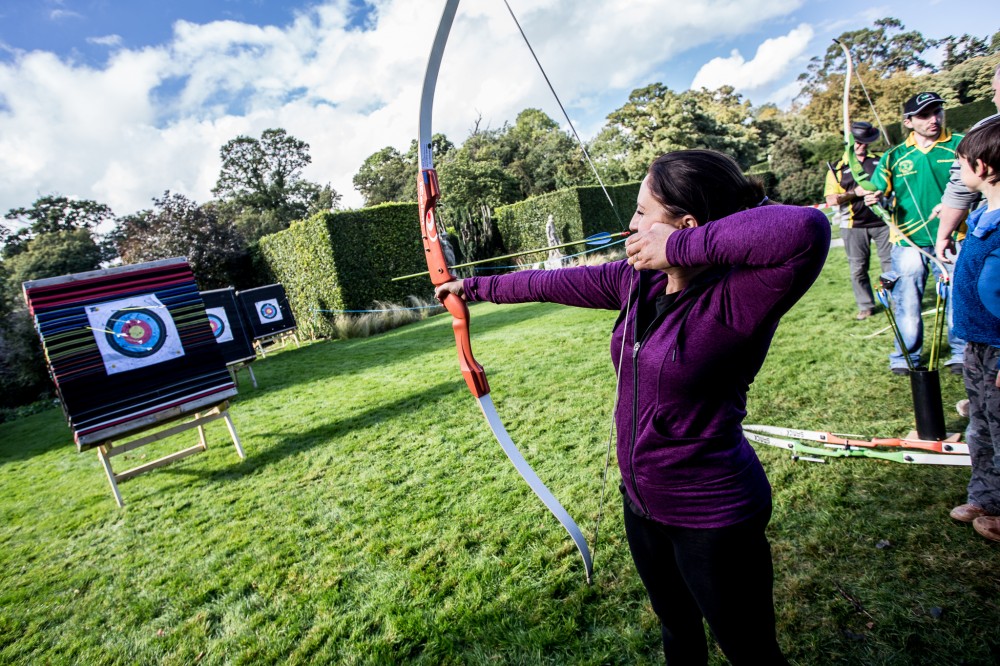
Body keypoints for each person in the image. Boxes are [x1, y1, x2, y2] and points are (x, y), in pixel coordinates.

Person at [436, 149, 830, 665]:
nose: (631, 223)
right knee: (677, 631)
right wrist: (471, 285)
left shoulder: (741, 296)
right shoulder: (635, 282)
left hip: (712, 513)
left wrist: (682, 248)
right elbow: (545, 282)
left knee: (750, 650)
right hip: (644, 504)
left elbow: (805, 227)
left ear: (685, 226)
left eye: (643, 213)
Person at [866, 91, 966, 375]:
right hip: (908, 240)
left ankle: (960, 352)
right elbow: (878, 192)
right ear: (908, 122)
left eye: (937, 112)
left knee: (957, 297)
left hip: (954, 236)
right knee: (907, 299)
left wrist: (953, 202)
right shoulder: (894, 156)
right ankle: (905, 357)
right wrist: (875, 198)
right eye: (924, 115)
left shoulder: (961, 145)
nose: (934, 119)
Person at [943, 118, 1000, 541]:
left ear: (981, 167)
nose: (958, 169)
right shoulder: (983, 213)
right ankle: (986, 496)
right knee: (980, 424)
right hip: (978, 344)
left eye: (960, 162)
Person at [824, 121, 892, 320]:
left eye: (865, 141)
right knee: (858, 268)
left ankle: (897, 301)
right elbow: (831, 199)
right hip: (853, 225)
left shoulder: (880, 160)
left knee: (890, 266)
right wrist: (855, 192)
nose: (861, 145)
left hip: (883, 222)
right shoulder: (837, 168)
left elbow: (893, 185)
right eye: (858, 141)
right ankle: (865, 305)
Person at [934, 63, 1000, 265]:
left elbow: (960, 187)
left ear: (979, 167)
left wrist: (944, 232)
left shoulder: (987, 130)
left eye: (995, 91)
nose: (993, 98)